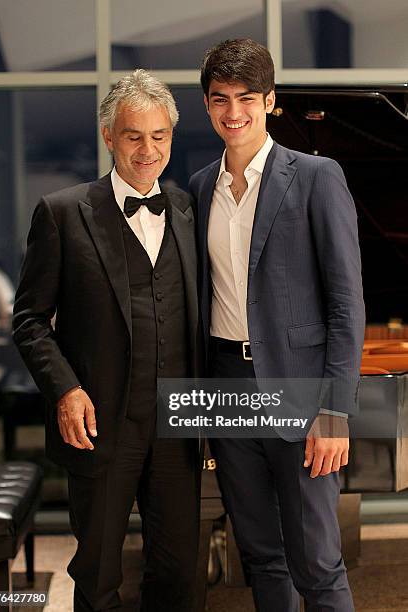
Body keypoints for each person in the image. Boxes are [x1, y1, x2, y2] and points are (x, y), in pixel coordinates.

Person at [13, 69, 201, 612]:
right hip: (100, 424)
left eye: (159, 135)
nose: (148, 149)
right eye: (134, 135)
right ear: (108, 137)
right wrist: (66, 390)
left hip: (180, 424)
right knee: (97, 575)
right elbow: (28, 319)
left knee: (179, 573)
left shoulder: (188, 210)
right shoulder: (62, 213)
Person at [189, 39, 365, 611]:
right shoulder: (196, 189)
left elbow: (346, 304)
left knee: (317, 561)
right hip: (226, 388)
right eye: (220, 99)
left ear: (271, 102)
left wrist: (335, 410)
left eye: (246, 98)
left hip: (301, 390)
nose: (232, 112)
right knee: (260, 555)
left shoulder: (316, 176)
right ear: (207, 105)